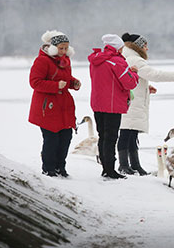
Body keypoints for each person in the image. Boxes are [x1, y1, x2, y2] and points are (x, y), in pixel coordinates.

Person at [117, 32, 174, 175]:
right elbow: (153, 74)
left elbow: (136, 78)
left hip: (131, 100)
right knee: (127, 134)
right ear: (138, 47)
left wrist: (146, 87)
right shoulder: (135, 59)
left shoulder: (127, 57)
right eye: (145, 46)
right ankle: (124, 165)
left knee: (131, 134)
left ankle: (134, 165)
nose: (147, 49)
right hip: (132, 102)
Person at [29, 30, 81, 177]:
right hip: (48, 106)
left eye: (66, 48)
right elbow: (35, 82)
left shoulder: (65, 60)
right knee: (51, 139)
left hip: (63, 106)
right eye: (61, 48)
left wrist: (73, 83)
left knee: (66, 137)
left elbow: (66, 78)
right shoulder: (42, 61)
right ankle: (49, 168)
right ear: (53, 47)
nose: (64, 51)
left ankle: (60, 167)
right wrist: (55, 86)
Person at [88, 34, 139, 179]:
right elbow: (130, 83)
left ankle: (105, 168)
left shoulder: (95, 60)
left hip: (97, 103)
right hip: (112, 105)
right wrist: (133, 73)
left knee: (102, 136)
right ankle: (110, 170)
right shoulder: (116, 61)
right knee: (111, 138)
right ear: (118, 47)